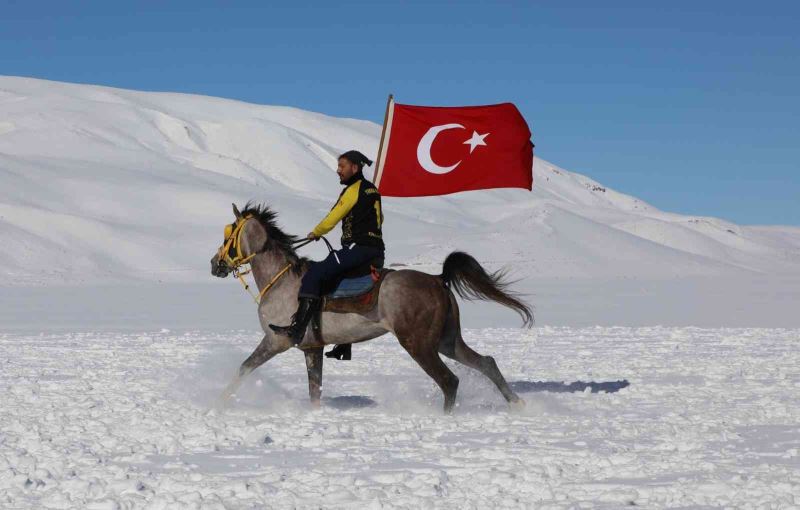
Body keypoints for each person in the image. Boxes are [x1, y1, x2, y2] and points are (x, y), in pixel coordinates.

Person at [269, 150, 385, 358]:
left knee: (315, 274)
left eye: (342, 166)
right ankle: (344, 342)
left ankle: (296, 330)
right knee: (338, 279)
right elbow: (380, 219)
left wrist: (316, 232)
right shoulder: (372, 190)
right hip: (376, 250)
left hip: (358, 248)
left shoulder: (353, 190)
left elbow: (333, 217)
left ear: (355, 168)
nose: (338, 171)